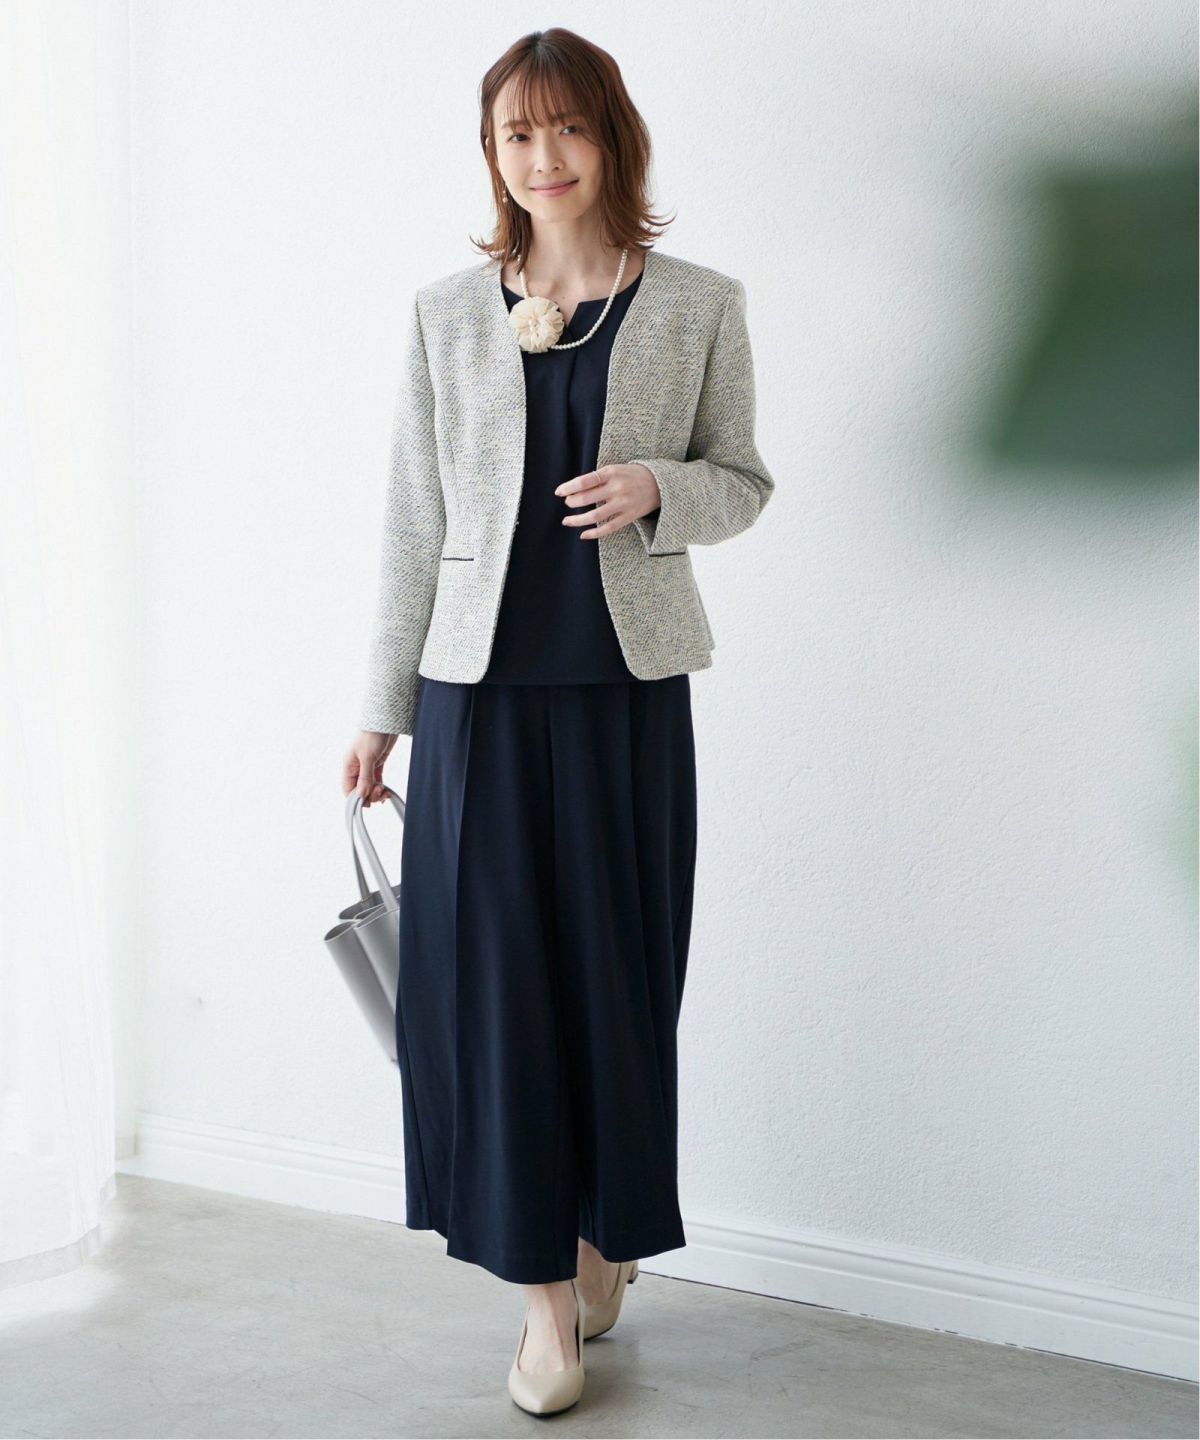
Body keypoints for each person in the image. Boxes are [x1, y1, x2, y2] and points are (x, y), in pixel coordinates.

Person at [341, 26, 774, 1417]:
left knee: (616, 986)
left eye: (568, 128)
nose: (544, 157)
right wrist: (380, 710)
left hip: (626, 701)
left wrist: (659, 487)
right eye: (517, 134)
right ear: (493, 153)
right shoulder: (444, 313)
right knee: (493, 1000)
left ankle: (604, 1241)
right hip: (473, 703)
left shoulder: (699, 304)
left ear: (614, 138)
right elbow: (413, 521)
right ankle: (543, 1306)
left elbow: (744, 479)